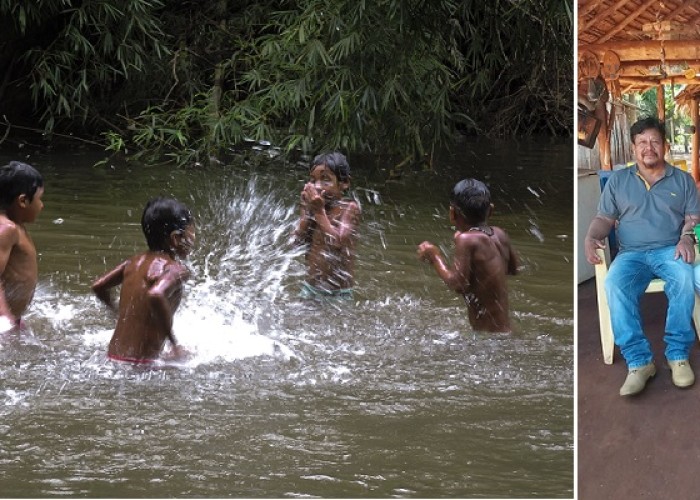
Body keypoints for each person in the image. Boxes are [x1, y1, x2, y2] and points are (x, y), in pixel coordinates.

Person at [584, 116, 700, 396]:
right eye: (642, 142)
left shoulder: (683, 180)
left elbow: (693, 217)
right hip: (632, 254)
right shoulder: (618, 181)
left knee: (684, 277)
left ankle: (677, 355)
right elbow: (604, 218)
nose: (649, 147)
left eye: (655, 141)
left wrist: (686, 236)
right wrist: (591, 236)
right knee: (615, 284)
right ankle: (639, 362)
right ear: (633, 148)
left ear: (665, 146)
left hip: (669, 249)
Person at [92, 197, 195, 363]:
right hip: (142, 365)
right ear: (176, 238)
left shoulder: (133, 262)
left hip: (112, 357)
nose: (193, 239)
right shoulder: (174, 269)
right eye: (192, 233)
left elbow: (98, 286)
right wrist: (174, 345)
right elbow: (155, 294)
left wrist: (117, 313)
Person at [417, 178, 519, 332]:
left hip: (488, 338)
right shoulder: (499, 234)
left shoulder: (466, 240)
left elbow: (457, 284)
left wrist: (435, 257)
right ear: (490, 210)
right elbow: (513, 269)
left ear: (452, 213)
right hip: (506, 331)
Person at [293, 152, 361, 299]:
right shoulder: (311, 206)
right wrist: (307, 212)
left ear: (344, 183)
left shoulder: (349, 208)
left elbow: (336, 243)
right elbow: (296, 244)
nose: (317, 186)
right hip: (310, 289)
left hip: (338, 294)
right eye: (313, 180)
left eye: (326, 180)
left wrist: (318, 211)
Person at [0, 161, 44, 334]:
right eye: (40, 199)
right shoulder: (6, 230)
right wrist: (4, 317)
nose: (42, 205)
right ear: (23, 201)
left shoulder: (16, 226)